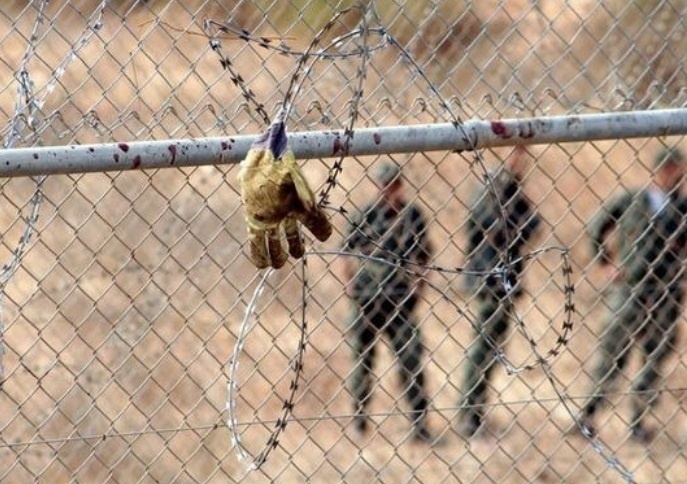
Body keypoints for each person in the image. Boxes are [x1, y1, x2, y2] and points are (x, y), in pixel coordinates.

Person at [578, 147, 687, 443]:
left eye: (679, 171)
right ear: (658, 172)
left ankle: (639, 422)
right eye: (670, 170)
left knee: (653, 359)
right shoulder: (634, 201)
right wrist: (606, 262)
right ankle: (588, 415)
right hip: (630, 290)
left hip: (666, 294)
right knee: (612, 354)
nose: (675, 177)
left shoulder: (682, 208)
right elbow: (597, 227)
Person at [340, 161, 434, 443]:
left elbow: (424, 257)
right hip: (366, 300)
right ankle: (359, 420)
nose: (388, 191)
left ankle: (420, 423)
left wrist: (419, 288)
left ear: (399, 186)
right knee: (363, 362)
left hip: (399, 302)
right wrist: (350, 285)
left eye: (392, 185)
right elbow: (345, 252)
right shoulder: (365, 215)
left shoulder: (412, 217)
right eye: (383, 186)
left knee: (411, 360)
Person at [457, 145, 541, 438]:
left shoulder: (514, 191)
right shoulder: (490, 186)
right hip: (488, 280)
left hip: (507, 281)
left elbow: (532, 226)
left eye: (523, 155)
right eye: (515, 153)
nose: (521, 160)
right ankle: (468, 413)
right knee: (482, 348)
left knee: (493, 349)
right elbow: (493, 228)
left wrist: (515, 225)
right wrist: (515, 225)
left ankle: (475, 412)